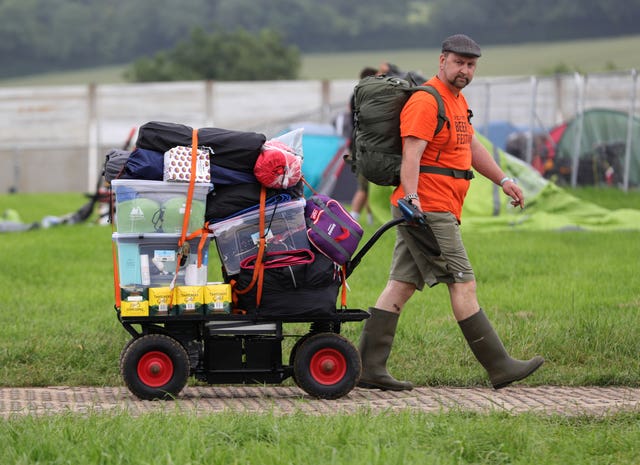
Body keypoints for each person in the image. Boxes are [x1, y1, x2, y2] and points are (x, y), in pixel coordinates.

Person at [358, 34, 544, 391]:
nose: (465, 70)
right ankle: (500, 365)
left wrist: (503, 179)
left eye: (471, 65)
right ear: (442, 60)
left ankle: (368, 367)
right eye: (459, 62)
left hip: (438, 205)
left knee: (401, 285)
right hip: (428, 208)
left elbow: (469, 144)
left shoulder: (456, 101)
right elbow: (412, 153)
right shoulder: (427, 101)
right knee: (463, 281)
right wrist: (411, 201)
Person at [348, 66, 377, 223]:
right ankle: (353, 219)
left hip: (356, 145)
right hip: (364, 147)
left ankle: (371, 219)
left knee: (368, 186)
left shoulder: (355, 95)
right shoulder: (366, 96)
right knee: (365, 186)